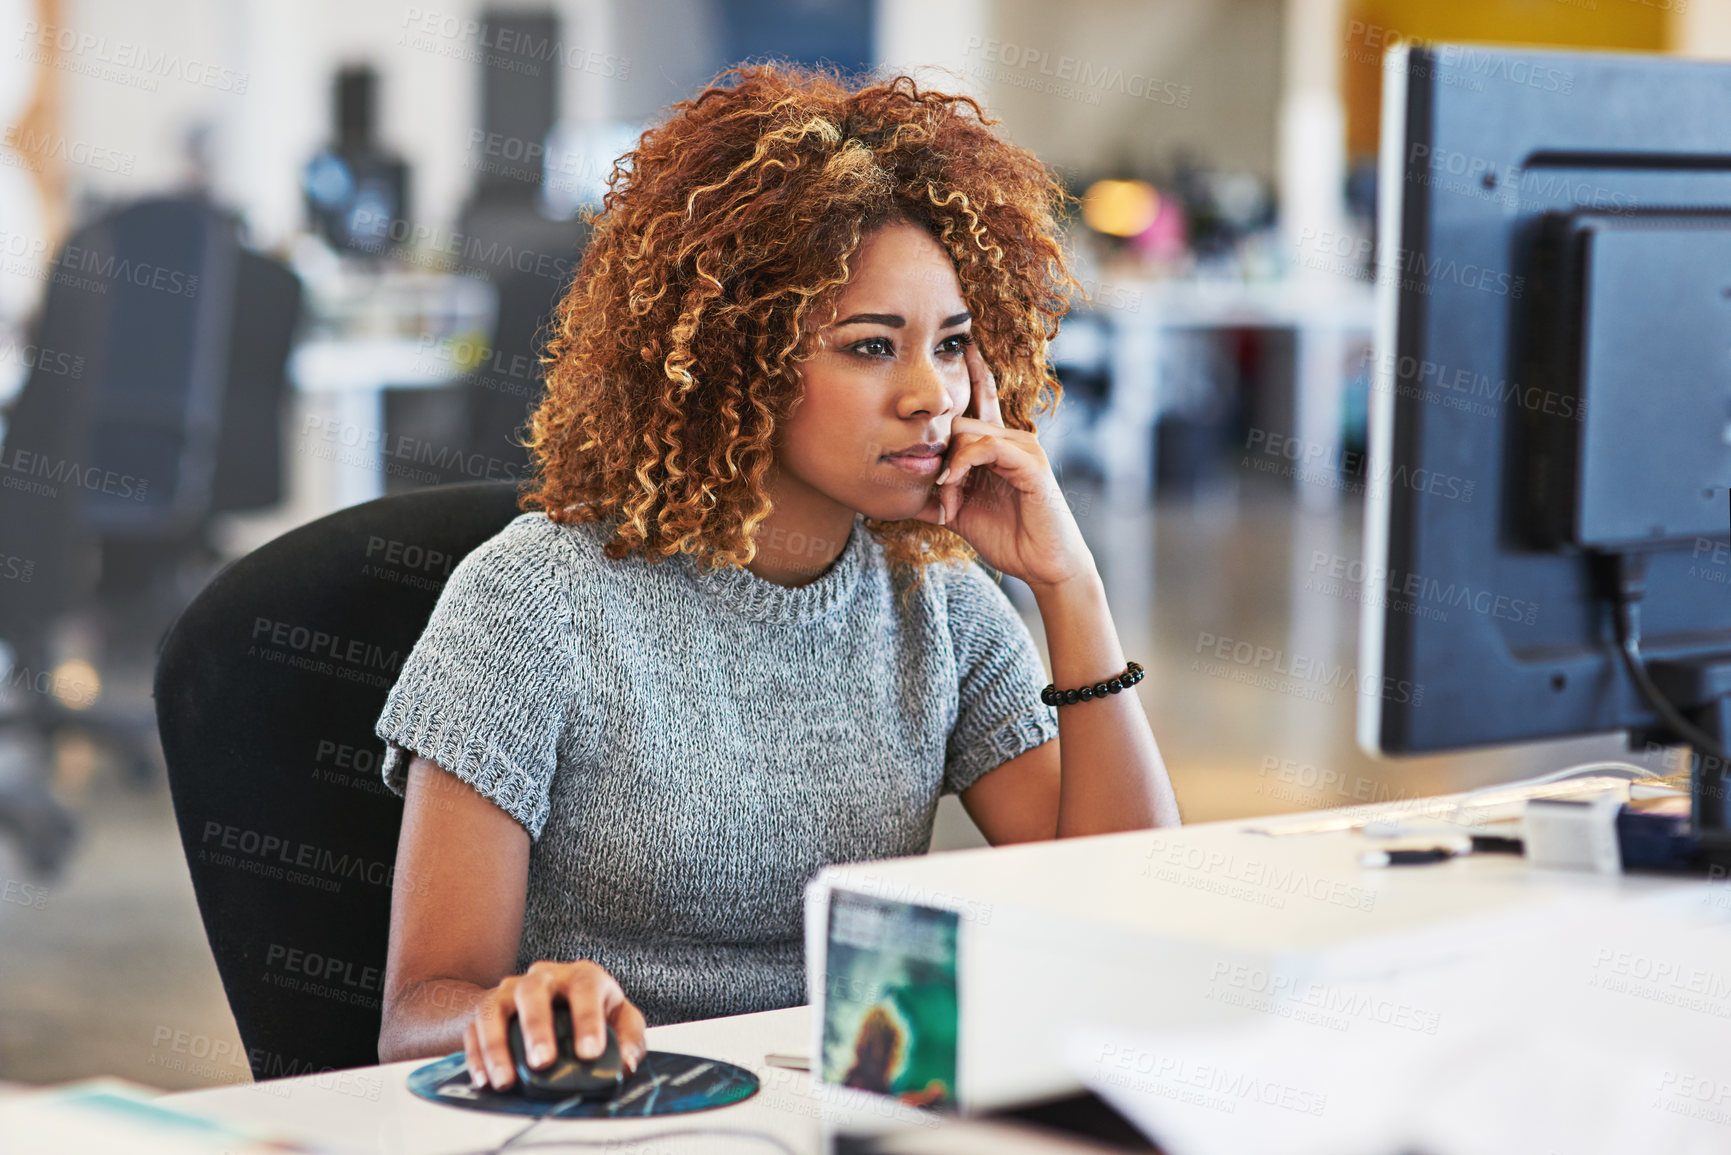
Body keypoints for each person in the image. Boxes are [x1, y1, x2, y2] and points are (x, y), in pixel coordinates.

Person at [373, 62, 1180, 1090]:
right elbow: (415, 1014)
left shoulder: (938, 605)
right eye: (871, 346)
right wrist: (515, 1014)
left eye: (953, 343)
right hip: (615, 1115)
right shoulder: (530, 605)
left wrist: (1071, 587)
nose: (930, 393)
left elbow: (1129, 920)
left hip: (838, 1103)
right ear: (734, 355)